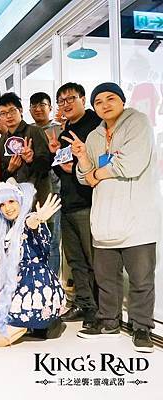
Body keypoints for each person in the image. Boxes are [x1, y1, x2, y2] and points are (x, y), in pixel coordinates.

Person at [67, 83, 158, 353]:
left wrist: (96, 173)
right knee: (106, 278)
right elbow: (83, 177)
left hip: (137, 218)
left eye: (110, 98)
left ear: (122, 100)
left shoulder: (138, 123)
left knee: (141, 279)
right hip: (104, 219)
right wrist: (83, 158)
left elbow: (130, 164)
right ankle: (109, 322)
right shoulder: (94, 136)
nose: (104, 105)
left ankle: (142, 328)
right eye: (98, 102)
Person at [0, 180, 65, 347]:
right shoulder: (6, 230)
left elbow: (32, 223)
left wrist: (38, 218)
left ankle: (41, 322)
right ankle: (28, 324)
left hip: (34, 285)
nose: (7, 208)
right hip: (13, 283)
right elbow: (4, 267)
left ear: (21, 201)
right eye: (2, 204)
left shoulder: (27, 220)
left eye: (11, 201)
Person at [51, 82, 101, 327]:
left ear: (83, 99)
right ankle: (84, 304)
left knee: (95, 260)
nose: (66, 104)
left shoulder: (96, 125)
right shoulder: (64, 131)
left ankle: (101, 309)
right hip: (68, 202)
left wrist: (77, 168)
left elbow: (100, 161)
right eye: (61, 101)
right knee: (75, 260)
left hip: (89, 202)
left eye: (71, 98)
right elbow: (62, 171)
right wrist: (56, 156)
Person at [0, 92, 51, 205]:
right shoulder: (2, 140)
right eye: (3, 113)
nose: (8, 116)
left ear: (20, 110)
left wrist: (31, 160)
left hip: (38, 197)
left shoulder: (35, 131)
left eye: (12, 111)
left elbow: (46, 165)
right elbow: (1, 174)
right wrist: (10, 170)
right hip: (15, 201)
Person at [29, 92, 63, 275]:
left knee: (52, 239)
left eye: (42, 105)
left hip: (55, 190)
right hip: (33, 192)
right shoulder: (28, 131)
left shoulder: (59, 129)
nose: (38, 109)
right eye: (34, 106)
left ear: (50, 107)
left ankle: (53, 280)